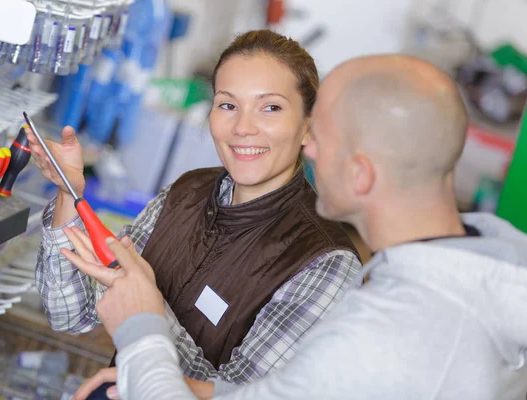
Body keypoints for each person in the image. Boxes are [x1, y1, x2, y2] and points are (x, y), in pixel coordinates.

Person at [82, 54, 527, 399]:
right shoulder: (485, 254)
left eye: (321, 137)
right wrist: (206, 390)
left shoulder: (389, 332)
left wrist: (142, 322)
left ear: (361, 174)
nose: (306, 147)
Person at [29, 29, 361, 396]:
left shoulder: (326, 260)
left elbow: (244, 393)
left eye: (271, 107)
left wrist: (146, 312)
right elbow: (70, 315)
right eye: (228, 104)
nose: (243, 128)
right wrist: (68, 194)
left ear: (307, 127)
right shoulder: (186, 192)